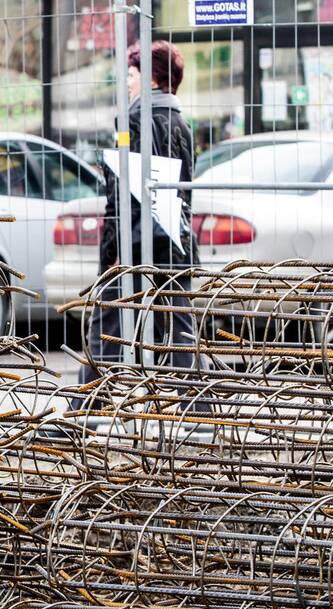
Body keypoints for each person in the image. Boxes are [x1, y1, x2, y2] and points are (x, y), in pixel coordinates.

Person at [73, 40, 205, 411]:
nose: (127, 82)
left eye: (131, 74)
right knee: (179, 326)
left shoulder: (131, 120)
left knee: (106, 322)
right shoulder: (181, 122)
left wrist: (110, 251)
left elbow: (119, 190)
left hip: (132, 240)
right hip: (175, 240)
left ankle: (89, 407)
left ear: (151, 78)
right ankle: (200, 411)